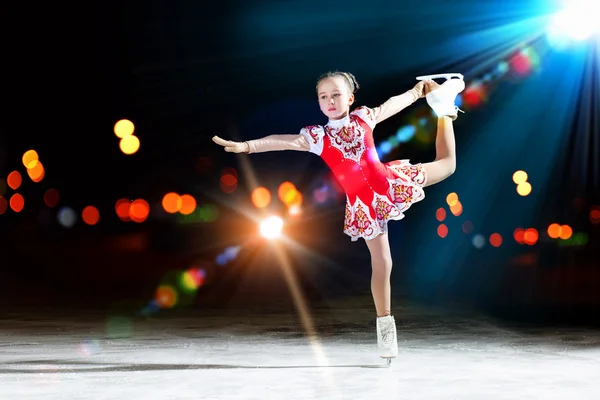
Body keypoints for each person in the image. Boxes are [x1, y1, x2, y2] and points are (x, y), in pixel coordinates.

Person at [213, 71, 464, 361]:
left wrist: (418, 92)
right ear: (319, 103)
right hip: (364, 206)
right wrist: (247, 146)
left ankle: (444, 110)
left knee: (447, 166)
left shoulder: (363, 118)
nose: (330, 101)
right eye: (323, 97)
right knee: (383, 262)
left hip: (391, 183)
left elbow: (394, 104)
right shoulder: (318, 137)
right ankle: (385, 327)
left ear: (350, 98)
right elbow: (282, 140)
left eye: (336, 95)